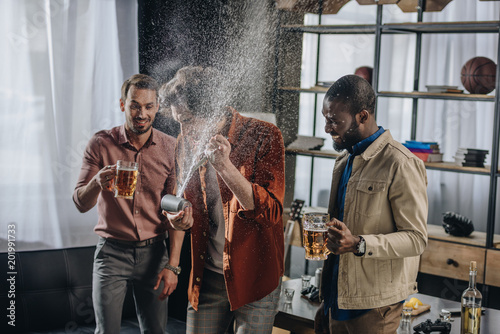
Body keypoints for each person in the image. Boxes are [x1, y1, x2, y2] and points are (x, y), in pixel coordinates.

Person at [161, 66, 285, 334]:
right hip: (207, 276)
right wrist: (179, 217)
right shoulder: (186, 142)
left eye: (187, 120)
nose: (183, 130)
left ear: (212, 106)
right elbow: (185, 202)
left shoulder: (265, 136)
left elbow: (271, 213)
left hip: (256, 278)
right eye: (178, 121)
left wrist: (226, 167)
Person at [314, 75, 428, 334]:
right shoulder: (344, 160)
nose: (327, 128)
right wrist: (327, 301)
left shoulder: (401, 163)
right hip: (337, 301)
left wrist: (358, 244)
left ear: (362, 116)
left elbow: (416, 239)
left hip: (375, 308)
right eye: (325, 118)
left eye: (334, 121)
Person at [73, 74, 185, 334]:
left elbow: (174, 213)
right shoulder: (101, 144)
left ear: (157, 107)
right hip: (111, 254)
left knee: (156, 331)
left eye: (148, 106)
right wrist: (97, 183)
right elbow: (80, 203)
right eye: (134, 105)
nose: (141, 113)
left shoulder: (171, 147)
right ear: (122, 105)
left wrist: (173, 265)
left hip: (155, 254)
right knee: (107, 332)